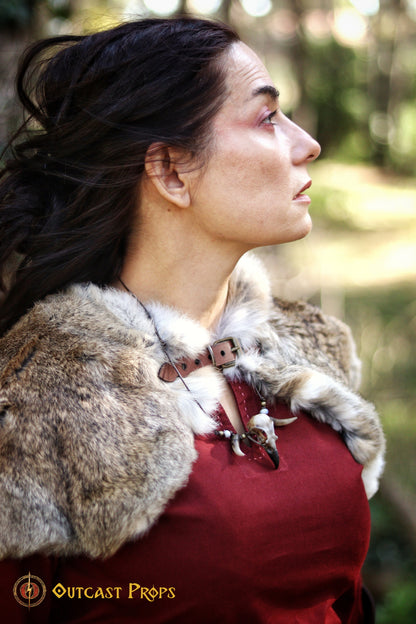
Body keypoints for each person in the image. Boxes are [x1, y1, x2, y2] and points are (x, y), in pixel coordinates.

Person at [0, 16, 384, 624]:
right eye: (266, 117)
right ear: (171, 170)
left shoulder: (313, 354)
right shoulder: (33, 409)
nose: (306, 143)